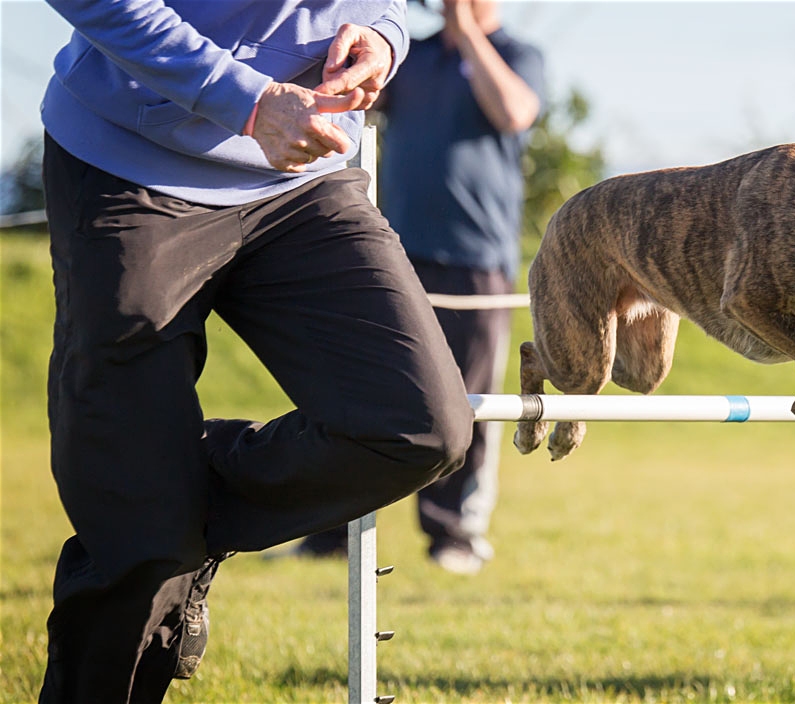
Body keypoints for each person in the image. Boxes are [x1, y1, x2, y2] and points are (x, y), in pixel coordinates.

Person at [37, 2, 473, 702]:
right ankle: (143, 498)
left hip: (304, 176)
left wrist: (384, 37)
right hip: (131, 166)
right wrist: (246, 100)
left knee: (419, 428)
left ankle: (160, 489)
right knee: (137, 539)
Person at [296, 0, 544, 576]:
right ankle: (332, 527)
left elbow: (515, 112)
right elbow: (352, 95)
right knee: (359, 386)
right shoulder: (412, 53)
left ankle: (454, 534)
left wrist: (466, 31)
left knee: (469, 400)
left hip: (477, 259)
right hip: (393, 248)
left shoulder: (517, 53)